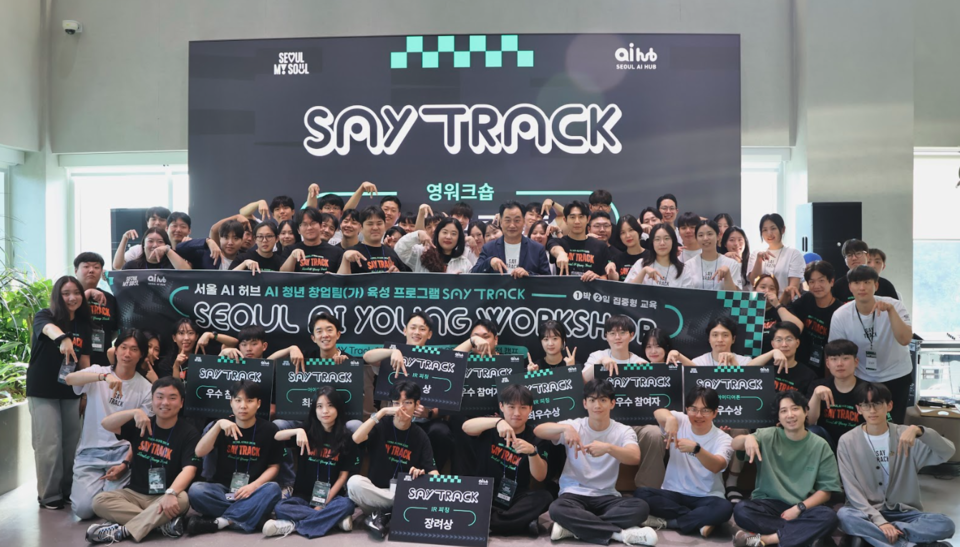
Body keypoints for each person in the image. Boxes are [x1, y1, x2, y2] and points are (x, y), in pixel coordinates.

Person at [536, 379, 657, 546]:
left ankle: (575, 527)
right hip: (573, 494)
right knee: (556, 509)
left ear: (612, 403)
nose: (597, 405)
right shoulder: (574, 426)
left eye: (603, 400)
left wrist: (608, 448)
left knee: (641, 508)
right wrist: (565, 428)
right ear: (585, 403)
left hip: (607, 496)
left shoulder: (623, 430)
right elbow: (539, 430)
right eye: (592, 400)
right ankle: (619, 534)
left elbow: (634, 456)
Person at [837, 382, 956, 547]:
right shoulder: (847, 441)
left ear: (889, 406)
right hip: (866, 513)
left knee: (945, 524)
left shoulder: (906, 435)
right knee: (845, 515)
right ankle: (907, 544)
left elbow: (947, 452)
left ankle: (888, 534)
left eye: (877, 404)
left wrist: (921, 431)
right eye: (866, 405)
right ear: (859, 409)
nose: (872, 410)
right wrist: (879, 521)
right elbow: (852, 491)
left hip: (905, 514)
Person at [85, 377, 199, 544]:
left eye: (172, 398)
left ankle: (122, 531)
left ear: (181, 403)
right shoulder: (142, 423)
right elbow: (106, 424)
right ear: (152, 400)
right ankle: (160, 524)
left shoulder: (189, 433)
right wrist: (134, 412)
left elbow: (190, 469)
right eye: (159, 397)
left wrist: (170, 493)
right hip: (134, 494)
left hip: (164, 496)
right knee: (99, 501)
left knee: (182, 499)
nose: (165, 402)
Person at [731, 391, 841, 547]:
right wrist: (748, 438)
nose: (790, 415)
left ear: (806, 411)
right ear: (779, 417)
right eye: (783, 411)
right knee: (741, 510)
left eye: (795, 408)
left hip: (804, 506)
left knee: (829, 517)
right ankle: (805, 535)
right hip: (769, 503)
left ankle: (767, 540)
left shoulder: (820, 445)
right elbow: (735, 444)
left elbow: (825, 491)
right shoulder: (768, 435)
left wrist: (798, 508)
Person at [65, 329, 154, 519]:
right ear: (116, 349)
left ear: (141, 354)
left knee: (107, 505)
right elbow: (69, 379)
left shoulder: (146, 389)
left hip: (121, 455)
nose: (127, 353)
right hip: (90, 451)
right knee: (83, 510)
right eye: (123, 347)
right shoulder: (98, 371)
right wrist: (103, 377)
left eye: (134, 349)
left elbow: (141, 435)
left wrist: (126, 463)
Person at [634, 386, 734, 539]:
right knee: (641, 494)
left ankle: (671, 522)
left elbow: (717, 465)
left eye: (705, 410)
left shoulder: (723, 438)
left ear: (715, 413)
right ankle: (699, 520)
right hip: (674, 493)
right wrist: (670, 419)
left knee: (725, 509)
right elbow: (658, 412)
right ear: (687, 409)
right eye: (693, 409)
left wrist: (696, 449)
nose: (698, 415)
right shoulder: (681, 421)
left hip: (707, 497)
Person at [27, 275, 92, 510]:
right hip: (43, 390)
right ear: (58, 295)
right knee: (49, 442)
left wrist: (85, 393)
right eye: (66, 293)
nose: (72, 298)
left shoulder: (83, 324)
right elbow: (48, 329)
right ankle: (49, 494)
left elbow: (84, 362)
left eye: (76, 293)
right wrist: (64, 338)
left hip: (71, 390)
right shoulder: (45, 316)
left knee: (71, 442)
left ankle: (67, 489)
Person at [186, 381, 283, 535]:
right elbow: (199, 452)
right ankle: (251, 516)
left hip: (253, 491)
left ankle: (221, 522)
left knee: (273, 490)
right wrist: (218, 425)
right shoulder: (222, 426)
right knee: (196, 490)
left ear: (258, 403)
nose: (243, 406)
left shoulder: (269, 429)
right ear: (231, 402)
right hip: (223, 491)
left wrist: (253, 486)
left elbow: (274, 467)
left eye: (249, 401)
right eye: (238, 400)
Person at [348, 380, 439, 539]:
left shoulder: (421, 436)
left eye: (407, 403)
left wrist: (422, 476)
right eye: (396, 403)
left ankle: (382, 515)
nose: (401, 408)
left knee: (419, 494)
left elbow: (434, 474)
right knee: (354, 483)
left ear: (417, 405)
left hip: (401, 493)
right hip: (376, 493)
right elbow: (356, 438)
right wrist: (382, 412)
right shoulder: (381, 424)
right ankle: (390, 512)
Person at [265, 387, 360, 538]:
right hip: (303, 497)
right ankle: (333, 521)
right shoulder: (306, 431)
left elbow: (343, 477)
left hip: (331, 499)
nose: (325, 411)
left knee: (347, 505)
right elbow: (277, 436)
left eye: (330, 405)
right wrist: (297, 431)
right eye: (319, 406)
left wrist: (323, 505)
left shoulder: (347, 437)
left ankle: (293, 525)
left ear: (338, 408)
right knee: (280, 507)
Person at [463, 384, 554, 537]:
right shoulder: (491, 426)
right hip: (484, 490)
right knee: (468, 497)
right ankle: (520, 523)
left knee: (545, 497)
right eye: (511, 407)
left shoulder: (536, 437)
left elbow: (540, 476)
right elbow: (466, 427)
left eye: (523, 408)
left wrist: (532, 453)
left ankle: (489, 523)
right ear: (502, 406)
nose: (517, 413)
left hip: (516, 495)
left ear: (530, 409)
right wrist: (497, 422)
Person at [828, 265, 913, 423]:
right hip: (862, 376)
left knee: (894, 423)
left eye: (867, 282)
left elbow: (905, 339)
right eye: (857, 283)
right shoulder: (841, 315)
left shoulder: (895, 305)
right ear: (850, 287)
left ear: (876, 285)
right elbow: (836, 351)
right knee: (866, 422)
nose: (862, 287)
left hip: (896, 374)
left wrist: (891, 312)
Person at [807, 339, 874, 450]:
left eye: (845, 358)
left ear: (856, 362)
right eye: (834, 359)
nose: (839, 364)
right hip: (827, 447)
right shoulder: (817, 386)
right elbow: (809, 421)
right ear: (827, 363)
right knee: (813, 431)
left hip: (857, 445)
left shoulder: (868, 390)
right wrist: (816, 396)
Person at [787, 261, 842, 373]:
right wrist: (783, 297)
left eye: (821, 280)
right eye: (812, 282)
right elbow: (786, 312)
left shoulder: (840, 311)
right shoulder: (806, 299)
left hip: (827, 368)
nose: (816, 286)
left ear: (831, 282)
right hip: (802, 365)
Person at [472, 201, 551, 277]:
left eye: (517, 220)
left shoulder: (537, 249)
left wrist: (529, 275)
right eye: (508, 220)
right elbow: (473, 274)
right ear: (501, 222)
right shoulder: (489, 248)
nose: (512, 225)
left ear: (523, 222)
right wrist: (489, 262)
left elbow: (547, 280)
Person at [547, 200, 615, 280]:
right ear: (565, 220)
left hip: (591, 288)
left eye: (581, 217)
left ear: (588, 219)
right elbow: (554, 248)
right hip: (564, 287)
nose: (577, 221)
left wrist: (597, 278)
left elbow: (605, 276)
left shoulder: (600, 246)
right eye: (572, 217)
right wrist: (561, 254)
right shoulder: (558, 242)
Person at [748, 323, 818, 396]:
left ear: (797, 343)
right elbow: (745, 373)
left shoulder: (808, 375)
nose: (784, 344)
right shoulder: (764, 364)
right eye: (779, 340)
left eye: (789, 339)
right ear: (772, 344)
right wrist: (773, 352)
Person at [74, 252, 118, 366]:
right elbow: (67, 314)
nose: (91, 270)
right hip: (73, 357)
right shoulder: (69, 296)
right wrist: (88, 292)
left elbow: (114, 329)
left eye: (96, 267)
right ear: (76, 271)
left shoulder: (110, 299)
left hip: (102, 360)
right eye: (86, 266)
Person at [749, 214, 805, 301]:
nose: (769, 233)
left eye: (773, 228)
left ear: (783, 229)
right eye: (765, 230)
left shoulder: (793, 254)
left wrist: (777, 305)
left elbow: (792, 288)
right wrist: (759, 260)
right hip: (759, 304)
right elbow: (754, 282)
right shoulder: (756, 253)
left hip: (784, 303)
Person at [340, 206, 408, 273]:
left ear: (384, 225)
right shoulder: (351, 253)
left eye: (379, 223)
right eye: (370, 224)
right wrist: (345, 260)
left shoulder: (392, 252)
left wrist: (397, 275)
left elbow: (405, 278)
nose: (375, 228)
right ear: (361, 227)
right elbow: (340, 279)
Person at [395, 217, 475, 273]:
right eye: (445, 232)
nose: (448, 237)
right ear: (437, 234)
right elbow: (399, 249)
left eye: (453, 234)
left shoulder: (465, 263)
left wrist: (460, 281)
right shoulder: (421, 253)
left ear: (459, 238)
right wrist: (417, 234)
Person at [680, 220, 742, 290]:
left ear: (718, 236)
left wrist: (727, 276)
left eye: (709, 234)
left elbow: (735, 295)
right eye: (701, 235)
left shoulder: (731, 264)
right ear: (696, 238)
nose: (705, 238)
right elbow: (686, 293)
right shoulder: (688, 266)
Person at [582, 315, 647, 382]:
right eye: (612, 333)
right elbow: (581, 382)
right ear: (606, 336)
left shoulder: (639, 363)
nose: (617, 337)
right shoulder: (597, 356)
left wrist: (646, 371)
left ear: (631, 335)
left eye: (622, 333)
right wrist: (600, 362)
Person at [668, 316, 751, 367]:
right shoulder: (699, 362)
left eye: (725, 335)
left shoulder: (745, 362)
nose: (720, 340)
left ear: (733, 339)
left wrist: (734, 363)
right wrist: (678, 356)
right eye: (715, 335)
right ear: (709, 339)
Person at [280, 207, 344, 274]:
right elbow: (282, 275)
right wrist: (292, 257)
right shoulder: (290, 250)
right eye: (304, 224)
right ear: (298, 230)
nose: (309, 228)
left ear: (320, 226)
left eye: (313, 223)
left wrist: (333, 277)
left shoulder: (336, 252)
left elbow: (343, 278)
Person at [831, 240, 899, 301]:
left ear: (867, 256)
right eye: (849, 255)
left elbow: (897, 309)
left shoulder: (885, 285)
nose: (854, 258)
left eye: (858, 253)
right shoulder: (838, 286)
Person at [753, 274, 804, 354]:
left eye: (772, 289)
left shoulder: (781, 309)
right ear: (754, 290)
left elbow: (798, 328)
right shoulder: (746, 309)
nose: (767, 291)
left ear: (777, 293)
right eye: (763, 287)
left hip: (777, 357)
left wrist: (777, 305)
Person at [176, 219, 245, 270]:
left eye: (235, 238)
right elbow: (179, 248)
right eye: (226, 237)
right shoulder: (207, 255)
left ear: (242, 240)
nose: (230, 242)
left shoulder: (245, 259)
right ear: (220, 238)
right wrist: (207, 241)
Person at [121, 227, 191, 270]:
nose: (155, 245)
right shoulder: (132, 266)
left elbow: (187, 273)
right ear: (143, 245)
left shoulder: (173, 265)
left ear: (166, 244)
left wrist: (168, 250)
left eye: (160, 242)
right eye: (150, 241)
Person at [609, 215, 646, 281]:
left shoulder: (651, 256)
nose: (628, 235)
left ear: (638, 231)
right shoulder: (616, 260)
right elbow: (614, 282)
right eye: (623, 232)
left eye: (631, 230)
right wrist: (612, 276)